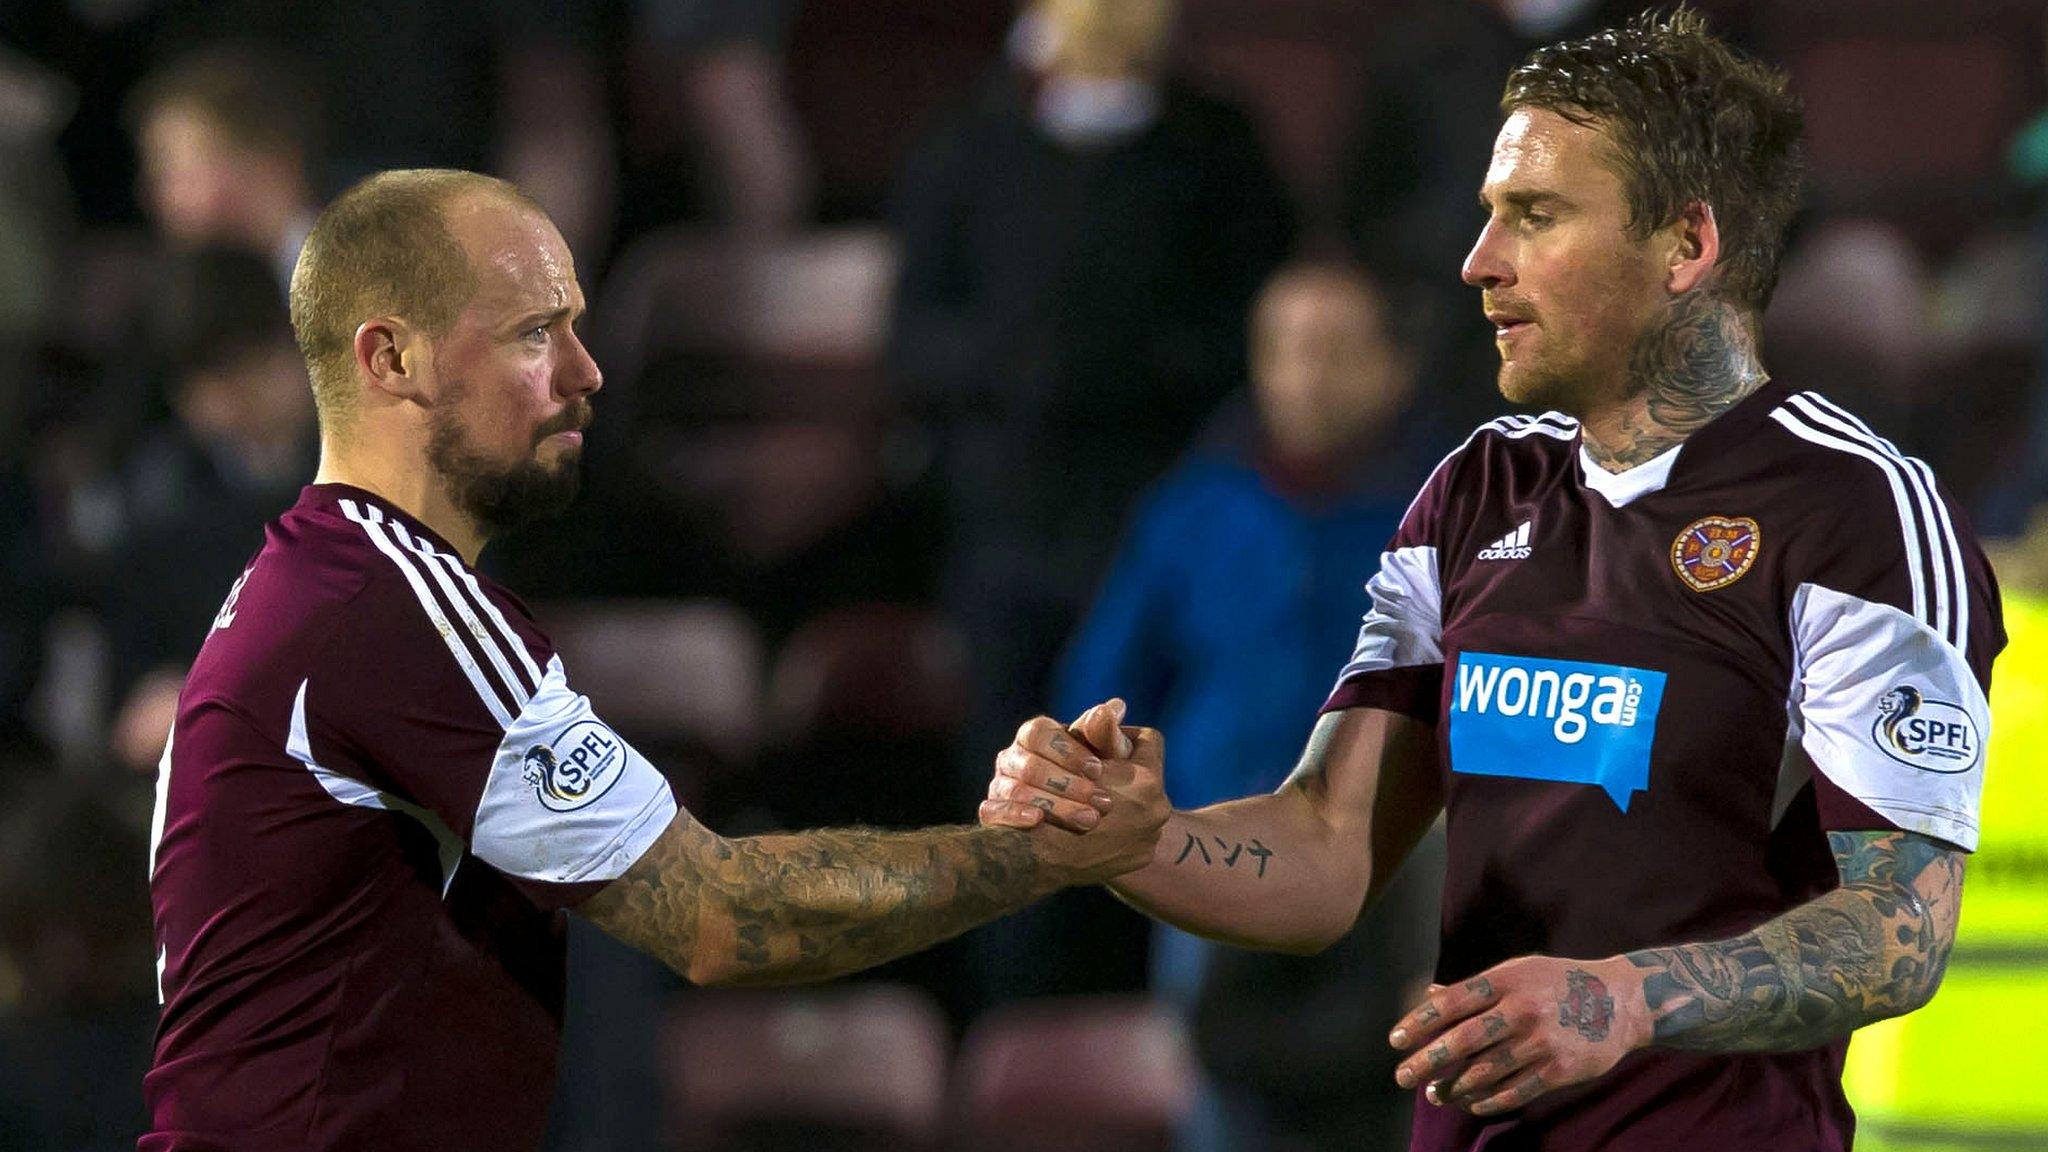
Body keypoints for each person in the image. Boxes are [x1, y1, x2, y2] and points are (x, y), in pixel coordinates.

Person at [983, 10, 2003, 1150]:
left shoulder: (1855, 511)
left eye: (1534, 215)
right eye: (1486, 216)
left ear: (1685, 243)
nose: (1479, 263)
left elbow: (1895, 930)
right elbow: (1326, 850)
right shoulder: (1473, 491)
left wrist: (1622, 999)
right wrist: (1143, 840)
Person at [141, 168, 1170, 1152]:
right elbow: (721, 915)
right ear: (389, 359)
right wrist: (1036, 853)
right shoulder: (388, 610)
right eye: (533, 334)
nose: (586, 372)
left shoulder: (317, 583)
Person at [888, 0, 1293, 1004]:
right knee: (1011, 797)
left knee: (1162, 787)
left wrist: (1117, 365)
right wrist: (1023, 368)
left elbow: (1254, 329)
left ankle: (1152, 1039)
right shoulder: (970, 142)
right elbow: (912, 338)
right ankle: (1010, 1042)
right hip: (1008, 527)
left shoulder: (1213, 146)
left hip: (1165, 525)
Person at [1051, 259, 1445, 1150]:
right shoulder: (1193, 508)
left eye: (1337, 351)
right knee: (1219, 1097)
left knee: (1416, 1095)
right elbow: (1101, 688)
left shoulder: (1459, 512)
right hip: (1213, 842)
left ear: (1396, 366)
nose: (1307, 376)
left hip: (1404, 861)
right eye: (1286, 351)